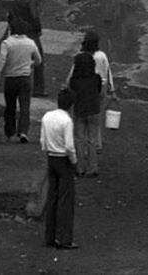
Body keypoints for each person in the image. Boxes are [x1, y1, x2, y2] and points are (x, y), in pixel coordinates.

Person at [65, 31, 115, 156]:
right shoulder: (102, 55)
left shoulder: (81, 57)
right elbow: (108, 71)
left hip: (83, 88)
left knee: (82, 116)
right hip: (100, 87)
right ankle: (96, 143)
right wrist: (112, 89)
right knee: (96, 115)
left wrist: (67, 85)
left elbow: (72, 73)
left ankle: (82, 148)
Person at [41, 88, 78, 250]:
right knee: (65, 199)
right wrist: (74, 161)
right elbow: (69, 146)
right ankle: (63, 238)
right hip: (63, 159)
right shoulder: (67, 121)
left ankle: (50, 235)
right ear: (71, 105)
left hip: (51, 157)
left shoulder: (47, 117)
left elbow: (43, 141)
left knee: (52, 197)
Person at [0, 19, 42, 144]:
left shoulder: (7, 43)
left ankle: (10, 132)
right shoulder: (30, 43)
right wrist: (30, 65)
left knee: (10, 106)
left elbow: (2, 58)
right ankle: (23, 132)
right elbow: (38, 60)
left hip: (10, 78)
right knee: (25, 106)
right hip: (25, 78)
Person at [8, 0, 46, 96]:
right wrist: (38, 29)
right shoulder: (30, 1)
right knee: (38, 60)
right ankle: (38, 89)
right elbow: (34, 17)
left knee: (20, 61)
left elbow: (10, 18)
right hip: (31, 33)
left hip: (17, 33)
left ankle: (19, 87)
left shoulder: (15, 1)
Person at [67, 51, 102, 178]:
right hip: (94, 110)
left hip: (79, 110)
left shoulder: (74, 81)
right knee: (92, 140)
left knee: (79, 140)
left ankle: (80, 168)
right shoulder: (96, 78)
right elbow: (99, 91)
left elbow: (70, 91)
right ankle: (93, 167)